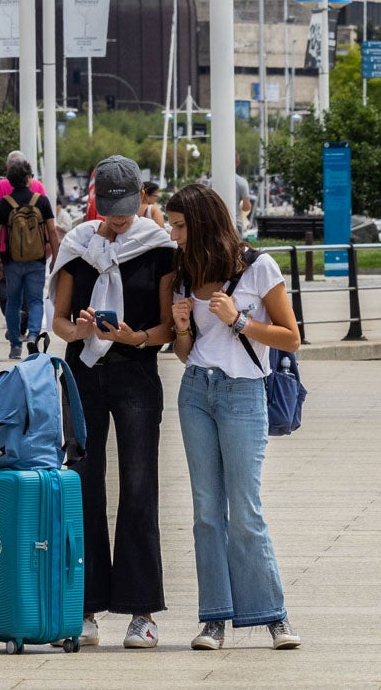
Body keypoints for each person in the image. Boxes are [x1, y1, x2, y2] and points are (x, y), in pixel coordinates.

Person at [163, 182, 303, 651]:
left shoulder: (258, 266)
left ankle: (274, 616)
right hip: (197, 392)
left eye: (180, 225)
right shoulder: (184, 272)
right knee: (206, 512)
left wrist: (238, 320)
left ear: (200, 222)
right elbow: (186, 354)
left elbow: (290, 337)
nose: (173, 233)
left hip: (245, 394)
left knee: (245, 510)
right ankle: (214, 619)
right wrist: (182, 327)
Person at [48, 156, 176, 648]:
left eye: (128, 207)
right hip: (84, 373)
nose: (120, 219)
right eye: (111, 208)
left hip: (137, 373)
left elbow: (167, 327)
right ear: (96, 200)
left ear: (142, 198)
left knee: (140, 486)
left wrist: (135, 336)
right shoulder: (77, 246)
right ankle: (84, 607)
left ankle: (141, 610)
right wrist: (78, 330)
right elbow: (58, 320)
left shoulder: (159, 249)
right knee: (82, 487)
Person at [0, 156, 58, 359]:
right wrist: (55, 257)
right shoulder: (42, 201)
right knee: (36, 300)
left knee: (13, 301)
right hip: (36, 259)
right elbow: (53, 231)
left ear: (9, 181)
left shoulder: (5, 204)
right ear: (29, 178)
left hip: (12, 260)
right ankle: (33, 336)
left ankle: (14, 344)